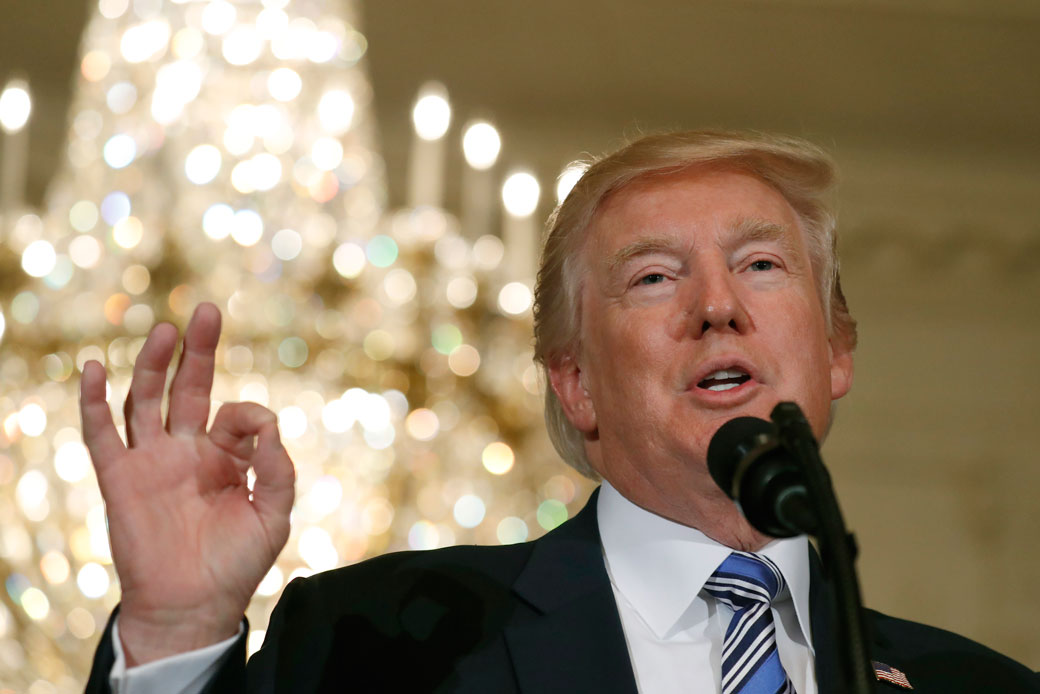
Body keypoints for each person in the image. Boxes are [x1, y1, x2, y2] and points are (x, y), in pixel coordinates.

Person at [82, 130, 1039, 693]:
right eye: (657, 276)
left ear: (836, 352)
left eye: (761, 264)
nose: (718, 305)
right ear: (574, 382)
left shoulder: (983, 689)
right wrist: (174, 639)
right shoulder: (376, 643)